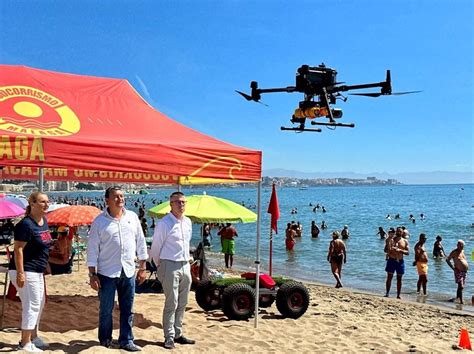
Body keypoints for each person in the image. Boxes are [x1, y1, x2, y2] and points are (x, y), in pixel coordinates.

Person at [87, 186, 148, 351]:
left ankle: (126, 340)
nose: (120, 199)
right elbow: (92, 249)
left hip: (128, 270)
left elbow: (141, 242)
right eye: (116, 197)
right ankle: (105, 339)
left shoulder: (132, 217)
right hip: (106, 272)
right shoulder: (99, 221)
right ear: (107, 200)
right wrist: (92, 274)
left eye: (122, 196)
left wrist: (142, 267)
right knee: (106, 309)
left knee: (128, 308)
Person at [150, 191, 195, 350]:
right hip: (169, 264)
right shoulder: (164, 223)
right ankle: (168, 336)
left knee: (183, 302)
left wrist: (188, 261)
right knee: (171, 302)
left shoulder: (188, 222)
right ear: (171, 204)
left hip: (185, 264)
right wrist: (159, 266)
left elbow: (186, 244)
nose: (181, 205)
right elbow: (156, 247)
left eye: (183, 202)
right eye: (178, 202)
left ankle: (178, 333)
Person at [8, 192, 51, 352]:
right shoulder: (25, 225)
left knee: (39, 304)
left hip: (37, 270)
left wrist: (45, 264)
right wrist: (20, 273)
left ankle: (33, 336)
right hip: (26, 269)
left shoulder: (43, 221)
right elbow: (18, 249)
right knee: (31, 305)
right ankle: (24, 342)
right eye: (42, 202)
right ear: (32, 204)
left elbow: (42, 246)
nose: (46, 204)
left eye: (47, 201)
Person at [384, 227, 409, 299]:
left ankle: (398, 295)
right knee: (389, 277)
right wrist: (389, 249)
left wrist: (399, 250)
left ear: (402, 233)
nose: (398, 232)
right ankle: (387, 293)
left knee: (399, 278)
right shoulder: (391, 239)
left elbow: (407, 252)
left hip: (400, 261)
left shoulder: (405, 241)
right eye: (397, 231)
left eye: (400, 231)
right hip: (391, 260)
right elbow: (385, 250)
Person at [445, 240, 469, 304]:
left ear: (463, 246)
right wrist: (453, 268)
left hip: (464, 272)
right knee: (461, 286)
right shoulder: (454, 252)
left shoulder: (463, 252)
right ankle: (461, 301)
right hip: (458, 271)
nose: (459, 246)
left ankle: (457, 298)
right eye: (458, 245)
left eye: (461, 245)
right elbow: (447, 260)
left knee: (460, 286)